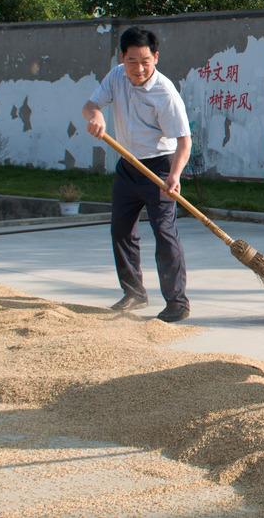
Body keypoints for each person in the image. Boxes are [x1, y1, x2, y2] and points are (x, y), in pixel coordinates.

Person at [82, 26, 193, 323]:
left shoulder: (164, 93)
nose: (139, 68)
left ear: (155, 57)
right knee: (121, 230)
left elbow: (184, 141)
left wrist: (175, 175)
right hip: (128, 166)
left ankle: (177, 302)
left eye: (145, 61)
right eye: (132, 61)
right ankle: (134, 293)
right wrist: (96, 116)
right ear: (122, 57)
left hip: (159, 166)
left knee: (165, 234)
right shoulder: (117, 76)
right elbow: (90, 105)